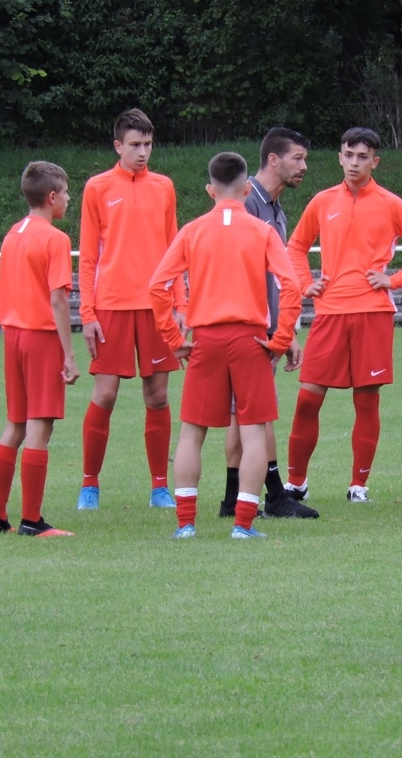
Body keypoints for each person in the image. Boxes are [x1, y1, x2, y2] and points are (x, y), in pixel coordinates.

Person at [149, 152, 303, 539]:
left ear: (209, 190)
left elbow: (158, 287)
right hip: (250, 340)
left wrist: (173, 339)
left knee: (192, 433)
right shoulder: (262, 231)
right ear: (247, 188)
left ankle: (186, 524)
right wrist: (281, 339)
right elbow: (291, 286)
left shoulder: (193, 230)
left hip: (206, 339)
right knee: (253, 433)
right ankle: (243, 525)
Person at [284, 127, 402, 504]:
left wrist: (394, 279)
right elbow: (296, 247)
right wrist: (306, 284)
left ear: (374, 161)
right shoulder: (322, 201)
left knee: (366, 402)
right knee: (307, 400)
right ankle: (296, 483)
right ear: (339, 157)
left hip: (372, 313)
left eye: (362, 157)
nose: (354, 163)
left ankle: (358, 486)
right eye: (348, 155)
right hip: (330, 314)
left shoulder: (390, 203)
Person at [76, 108, 184, 512]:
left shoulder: (164, 187)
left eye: (148, 144)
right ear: (117, 146)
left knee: (157, 396)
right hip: (111, 307)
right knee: (105, 395)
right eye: (135, 145)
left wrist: (181, 304)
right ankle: (89, 485)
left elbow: (175, 249)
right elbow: (88, 255)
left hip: (157, 308)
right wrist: (87, 313)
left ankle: (160, 488)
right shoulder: (97, 187)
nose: (142, 152)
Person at [217, 127, 318, 521]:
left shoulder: (276, 210)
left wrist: (284, 331)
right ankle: (269, 497)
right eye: (298, 158)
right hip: (247, 330)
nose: (304, 166)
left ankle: (238, 500)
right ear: (274, 160)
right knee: (252, 415)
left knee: (247, 414)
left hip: (267, 329)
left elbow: (273, 279)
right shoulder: (246, 205)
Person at [0, 161, 79, 537]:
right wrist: (69, 354)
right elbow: (58, 299)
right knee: (40, 425)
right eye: (67, 193)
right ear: (52, 197)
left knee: (15, 424)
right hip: (40, 337)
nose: (69, 199)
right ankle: (32, 521)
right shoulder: (55, 239)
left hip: (13, 335)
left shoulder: (14, 233)